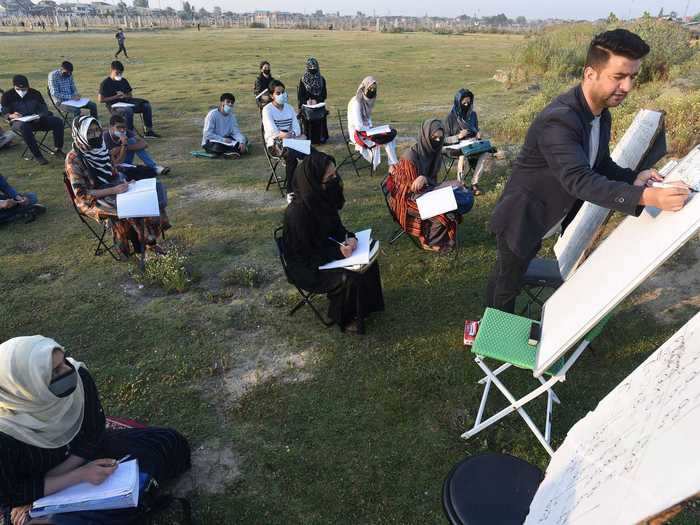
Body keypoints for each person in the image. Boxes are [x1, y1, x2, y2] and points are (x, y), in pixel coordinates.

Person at [487, 29, 691, 313]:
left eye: (632, 77)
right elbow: (579, 180)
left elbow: (600, 164)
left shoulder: (599, 114)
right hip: (522, 216)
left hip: (546, 214)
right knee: (507, 282)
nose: (628, 87)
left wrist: (633, 178)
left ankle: (489, 328)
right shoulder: (559, 120)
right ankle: (492, 337)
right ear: (590, 74)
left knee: (510, 273)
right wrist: (647, 198)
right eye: (618, 77)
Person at [0, 335, 190, 525]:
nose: (68, 369)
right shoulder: (5, 433)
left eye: (64, 360)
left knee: (166, 443)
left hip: (82, 456)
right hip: (38, 488)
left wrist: (83, 468)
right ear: (25, 388)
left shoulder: (79, 376)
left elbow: (93, 433)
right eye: (55, 372)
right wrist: (78, 476)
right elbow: (11, 492)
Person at [283, 150, 384, 332]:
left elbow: (337, 229)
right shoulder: (297, 213)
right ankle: (344, 317)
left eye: (335, 173)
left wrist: (350, 237)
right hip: (306, 267)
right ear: (314, 180)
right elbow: (306, 256)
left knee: (367, 254)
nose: (335, 179)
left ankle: (366, 308)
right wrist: (338, 252)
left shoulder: (322, 196)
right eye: (330, 176)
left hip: (325, 251)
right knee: (350, 275)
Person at [65, 116, 170, 257]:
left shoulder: (101, 147)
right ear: (80, 134)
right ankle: (141, 245)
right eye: (89, 133)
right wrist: (114, 190)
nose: (95, 135)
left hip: (113, 188)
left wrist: (125, 182)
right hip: (92, 200)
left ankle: (149, 241)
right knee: (133, 206)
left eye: (97, 131)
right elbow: (81, 194)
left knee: (151, 195)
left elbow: (113, 170)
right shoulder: (74, 158)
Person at [386, 119, 473, 252]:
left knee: (459, 195)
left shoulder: (433, 153)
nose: (437, 141)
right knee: (445, 210)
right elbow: (409, 191)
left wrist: (446, 184)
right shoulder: (410, 157)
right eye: (434, 137)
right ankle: (429, 241)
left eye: (440, 137)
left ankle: (433, 236)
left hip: (423, 193)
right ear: (425, 136)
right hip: (406, 200)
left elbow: (430, 182)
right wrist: (438, 187)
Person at [1, 75, 65, 165]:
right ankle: (38, 156)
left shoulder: (35, 93)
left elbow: (44, 109)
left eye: (24, 89)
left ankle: (58, 149)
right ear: (14, 86)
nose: (22, 91)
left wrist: (39, 116)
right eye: (19, 89)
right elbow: (4, 113)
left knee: (58, 121)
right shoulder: (7, 95)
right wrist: (11, 115)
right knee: (24, 127)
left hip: (37, 120)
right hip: (18, 123)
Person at [444, 88, 492, 195]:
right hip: (456, 146)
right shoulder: (450, 118)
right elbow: (444, 139)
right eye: (464, 102)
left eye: (468, 102)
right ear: (458, 102)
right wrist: (458, 136)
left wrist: (478, 134)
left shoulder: (473, 115)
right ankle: (461, 184)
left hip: (472, 144)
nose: (466, 104)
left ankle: (474, 183)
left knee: (485, 153)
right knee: (463, 155)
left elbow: (476, 129)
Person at [262, 79, 307, 192]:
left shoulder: (289, 108)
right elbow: (273, 132)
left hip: (292, 142)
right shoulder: (267, 110)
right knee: (292, 157)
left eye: (283, 92)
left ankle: (310, 184)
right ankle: (290, 191)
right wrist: (292, 135)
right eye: (278, 93)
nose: (281, 95)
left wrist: (290, 134)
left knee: (313, 153)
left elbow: (297, 128)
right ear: (272, 96)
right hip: (275, 146)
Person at [347, 76, 398, 172]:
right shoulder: (356, 102)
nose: (372, 91)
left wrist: (373, 129)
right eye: (370, 88)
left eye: (374, 89)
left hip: (367, 130)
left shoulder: (368, 100)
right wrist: (372, 130)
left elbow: (368, 118)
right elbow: (358, 125)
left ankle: (392, 165)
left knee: (389, 135)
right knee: (384, 138)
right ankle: (395, 165)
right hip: (357, 134)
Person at [98, 61, 160, 137]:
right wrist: (115, 97)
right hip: (113, 106)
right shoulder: (105, 83)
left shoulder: (123, 81)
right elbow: (100, 100)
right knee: (128, 110)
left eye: (120, 73)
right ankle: (129, 133)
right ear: (112, 70)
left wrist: (124, 95)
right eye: (117, 73)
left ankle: (148, 131)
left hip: (126, 102)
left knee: (146, 105)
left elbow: (130, 95)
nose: (119, 75)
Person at [103, 114, 169, 175]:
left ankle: (154, 166)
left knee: (132, 141)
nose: (122, 130)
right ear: (111, 127)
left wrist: (124, 147)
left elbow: (144, 144)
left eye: (124, 127)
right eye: (118, 127)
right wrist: (123, 145)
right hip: (114, 165)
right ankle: (154, 168)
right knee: (132, 143)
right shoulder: (105, 138)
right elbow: (116, 162)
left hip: (125, 161)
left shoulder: (126, 132)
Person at [202, 93, 249, 158]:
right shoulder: (212, 114)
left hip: (227, 140)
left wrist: (242, 142)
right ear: (222, 103)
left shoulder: (232, 116)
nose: (230, 104)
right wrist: (222, 139)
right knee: (218, 146)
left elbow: (236, 132)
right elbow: (207, 134)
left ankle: (232, 152)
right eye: (228, 102)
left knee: (244, 139)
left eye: (232, 103)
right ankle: (232, 152)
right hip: (212, 141)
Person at [297, 57, 329, 145]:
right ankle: (309, 139)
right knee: (308, 118)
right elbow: (300, 95)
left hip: (319, 105)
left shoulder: (321, 79)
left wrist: (316, 100)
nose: (313, 70)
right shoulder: (303, 79)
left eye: (314, 68)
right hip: (307, 106)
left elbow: (324, 94)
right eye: (310, 68)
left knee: (320, 118)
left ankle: (321, 138)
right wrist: (306, 101)